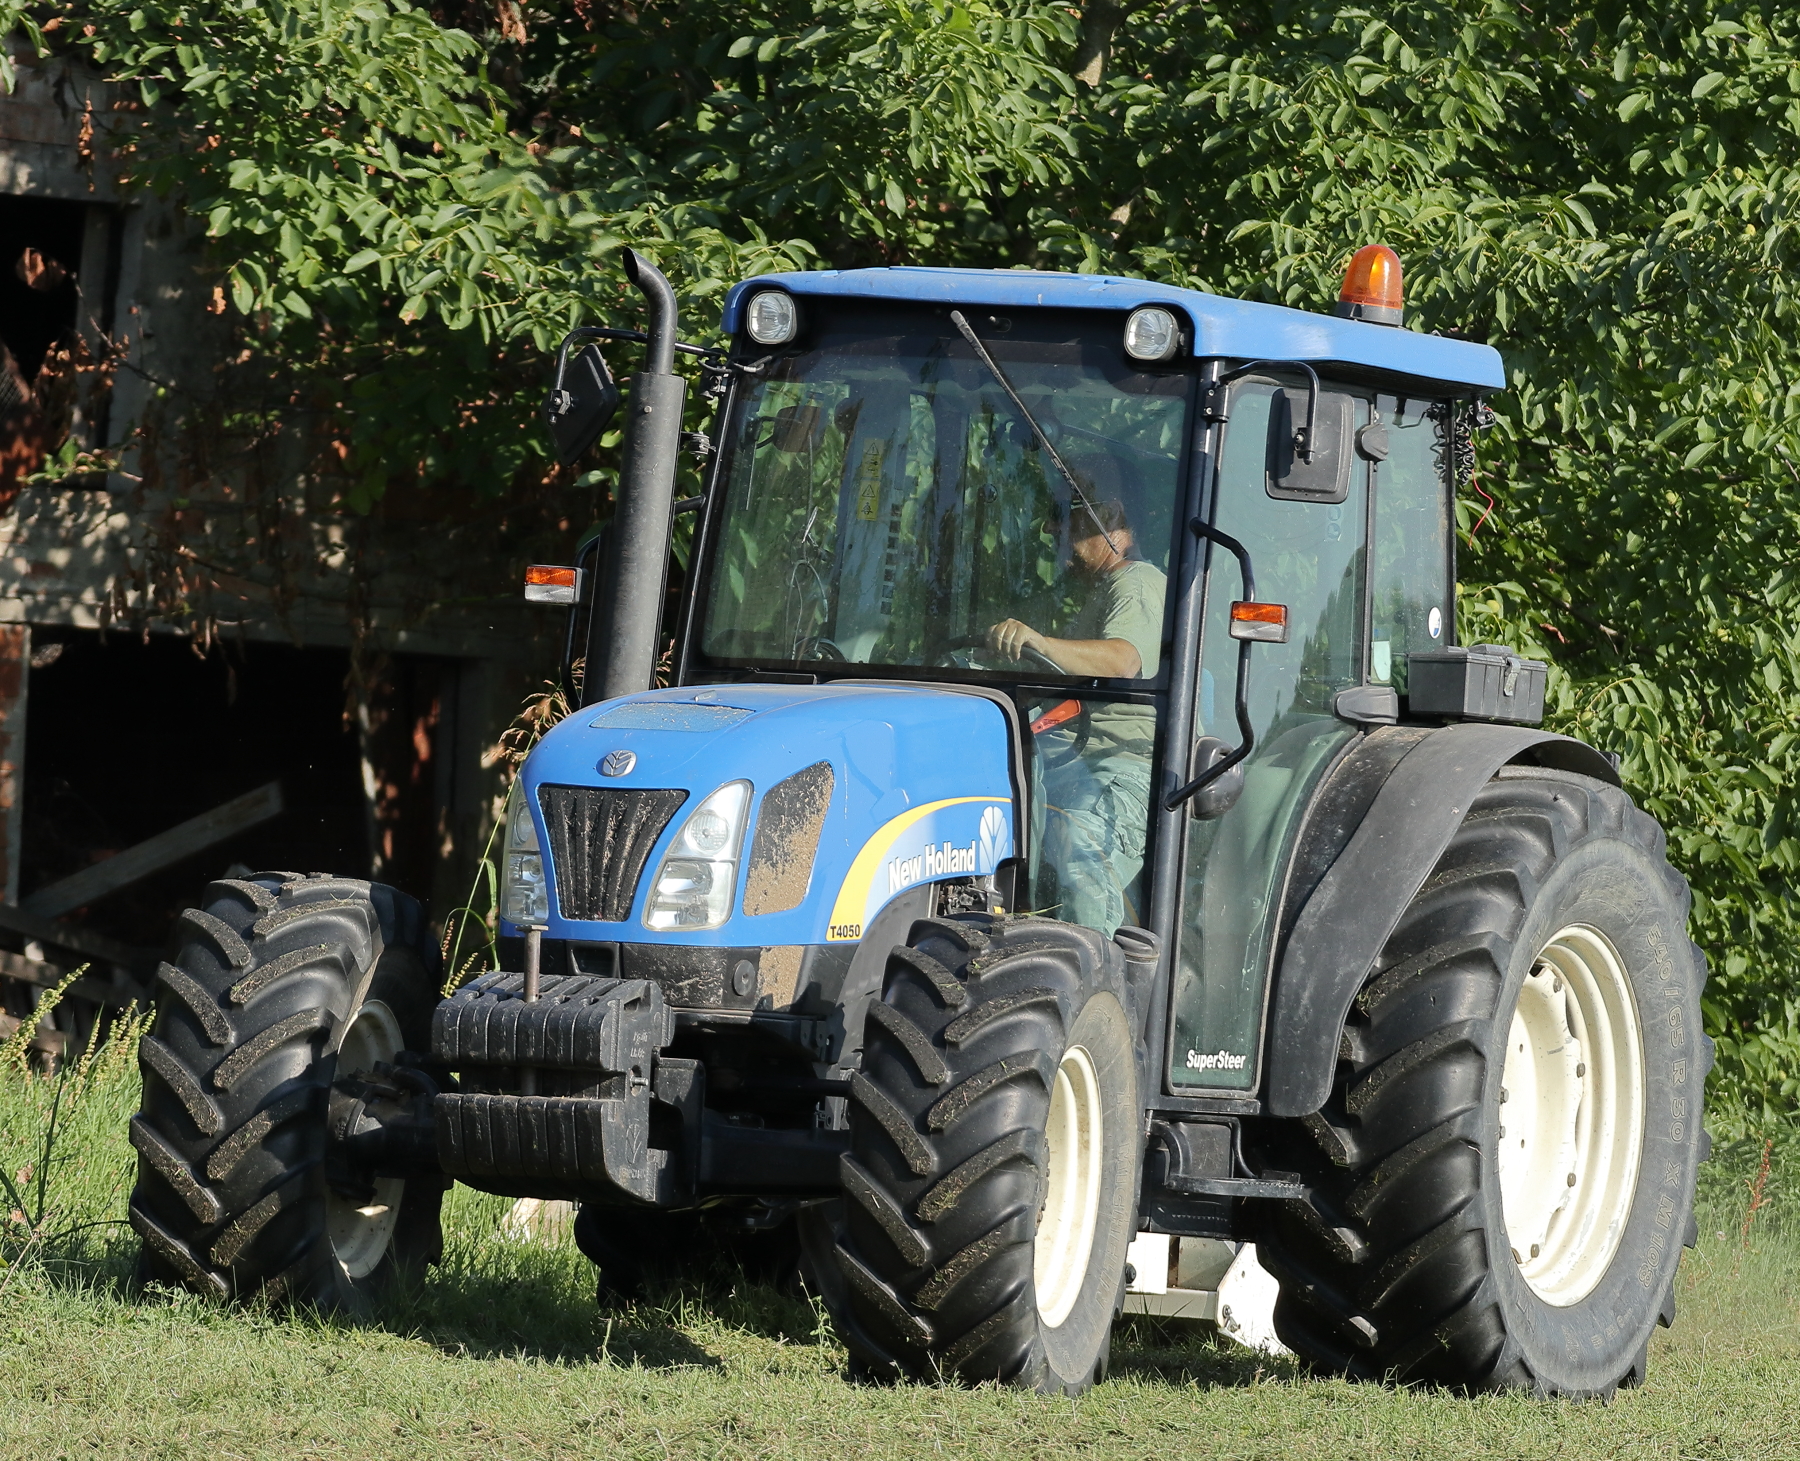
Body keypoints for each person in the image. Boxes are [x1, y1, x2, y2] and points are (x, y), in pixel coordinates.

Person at [987, 470, 1166, 935]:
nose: (1052, 533)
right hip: (1073, 760)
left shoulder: (1137, 583)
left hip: (1127, 765)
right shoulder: (1098, 593)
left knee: (1078, 845)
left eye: (1063, 520)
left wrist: (1039, 642)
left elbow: (1124, 659)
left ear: (1108, 519)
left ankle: (1088, 986)